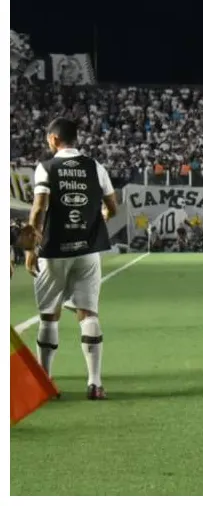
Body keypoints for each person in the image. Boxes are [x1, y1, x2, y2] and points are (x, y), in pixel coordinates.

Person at [26, 117, 119, 400]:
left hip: (54, 250)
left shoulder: (47, 167)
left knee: (49, 315)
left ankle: (46, 383)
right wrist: (99, 218)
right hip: (88, 250)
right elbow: (112, 208)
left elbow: (39, 208)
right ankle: (95, 384)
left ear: (54, 139)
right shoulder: (95, 166)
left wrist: (30, 249)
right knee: (88, 313)